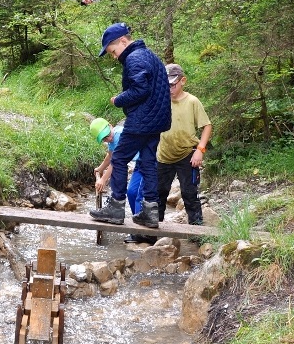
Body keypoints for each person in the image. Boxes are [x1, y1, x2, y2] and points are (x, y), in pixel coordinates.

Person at [89, 23, 171, 228]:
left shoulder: (134, 58)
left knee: (119, 158)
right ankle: (150, 212)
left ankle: (116, 207)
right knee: (148, 162)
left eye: (113, 51)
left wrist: (118, 100)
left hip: (142, 120)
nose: (114, 56)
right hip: (157, 120)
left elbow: (140, 90)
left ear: (123, 41)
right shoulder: (150, 55)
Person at [156, 64, 210, 225]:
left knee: (189, 193)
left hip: (187, 154)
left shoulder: (192, 101)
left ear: (183, 81)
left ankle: (197, 230)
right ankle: (152, 231)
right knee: (158, 193)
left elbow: (207, 126)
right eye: (166, 85)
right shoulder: (161, 101)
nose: (169, 88)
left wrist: (200, 150)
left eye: (172, 84)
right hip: (164, 154)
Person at [92, 118, 147, 240]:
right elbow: (110, 156)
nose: (108, 139)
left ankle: (141, 231)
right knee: (131, 192)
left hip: (148, 163)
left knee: (139, 196)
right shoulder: (112, 137)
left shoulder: (119, 134)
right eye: (105, 139)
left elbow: (116, 162)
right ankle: (136, 221)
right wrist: (100, 168)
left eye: (108, 135)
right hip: (139, 165)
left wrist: (103, 179)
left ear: (111, 126)